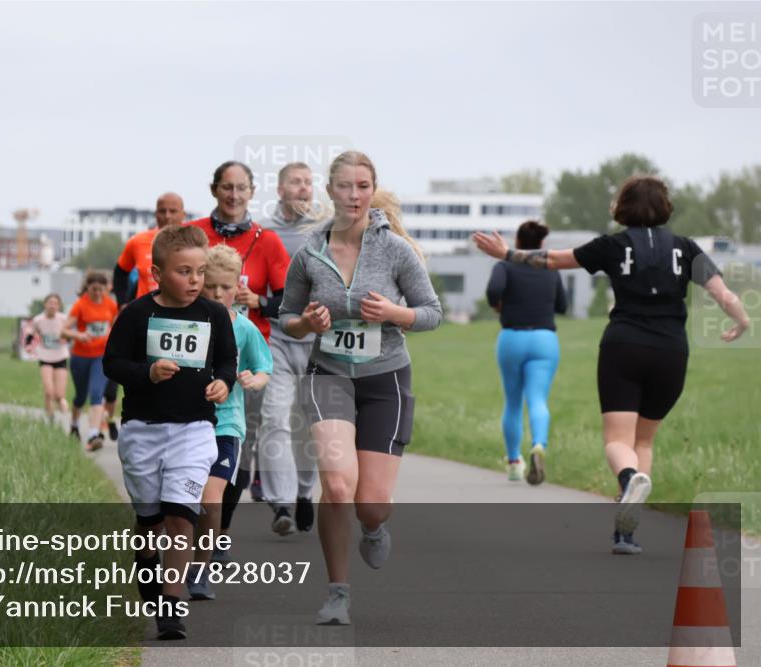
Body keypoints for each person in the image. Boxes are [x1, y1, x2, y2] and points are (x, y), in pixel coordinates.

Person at [472, 175, 751, 555]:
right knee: (644, 440)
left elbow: (553, 260)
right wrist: (742, 321)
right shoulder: (686, 248)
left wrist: (507, 254)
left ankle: (629, 479)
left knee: (619, 441)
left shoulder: (613, 245)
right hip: (671, 351)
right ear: (665, 207)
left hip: (624, 346)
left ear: (623, 207)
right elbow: (724, 294)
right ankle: (626, 533)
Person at [279, 151, 443, 625]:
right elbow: (286, 317)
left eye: (363, 186)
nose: (354, 196)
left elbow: (432, 312)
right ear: (330, 190)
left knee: (371, 504)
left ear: (373, 190)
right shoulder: (310, 252)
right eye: (345, 186)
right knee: (336, 485)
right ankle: (337, 594)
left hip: (385, 378)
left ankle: (373, 528)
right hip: (328, 375)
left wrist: (395, 314)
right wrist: (306, 323)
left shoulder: (395, 251)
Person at [103, 224, 237, 640]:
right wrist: (147, 373)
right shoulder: (137, 314)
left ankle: (171, 604)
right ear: (158, 274)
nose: (195, 281)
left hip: (194, 430)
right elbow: (112, 364)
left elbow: (227, 361)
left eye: (200, 272)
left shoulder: (214, 315)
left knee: (181, 516)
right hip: (142, 430)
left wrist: (223, 383)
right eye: (184, 272)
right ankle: (149, 573)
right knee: (150, 522)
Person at [188, 161, 291, 545]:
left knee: (237, 453)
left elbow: (287, 302)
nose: (234, 195)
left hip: (246, 352)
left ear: (251, 192)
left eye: (241, 188)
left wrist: (258, 300)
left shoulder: (268, 240)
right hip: (194, 352)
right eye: (227, 187)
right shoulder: (193, 234)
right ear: (214, 189)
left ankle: (220, 531)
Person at [187, 245, 272, 601]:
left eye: (225, 287)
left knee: (211, 500)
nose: (218, 293)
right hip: (185, 424)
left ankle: (199, 570)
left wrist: (254, 379)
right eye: (210, 286)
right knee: (182, 502)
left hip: (226, 426)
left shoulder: (246, 329)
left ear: (238, 287)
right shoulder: (185, 322)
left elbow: (264, 368)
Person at [258, 161, 322, 536]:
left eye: (308, 182)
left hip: (319, 343)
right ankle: (281, 502)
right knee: (275, 418)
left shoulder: (326, 230)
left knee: (311, 425)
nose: (304, 188)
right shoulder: (264, 232)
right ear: (280, 190)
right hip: (278, 339)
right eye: (296, 182)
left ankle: (303, 492)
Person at [485, 220, 568, 484]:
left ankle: (513, 463)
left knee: (512, 402)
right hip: (544, 339)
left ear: (517, 243)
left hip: (512, 338)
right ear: (541, 244)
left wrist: (498, 305)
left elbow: (493, 290)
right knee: (538, 400)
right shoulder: (550, 269)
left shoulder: (505, 265)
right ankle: (539, 445)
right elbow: (563, 305)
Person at [107, 192, 188, 440]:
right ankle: (138, 431)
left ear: (183, 214)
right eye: (162, 211)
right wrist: (122, 304)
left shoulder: (193, 243)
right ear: (155, 214)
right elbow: (120, 271)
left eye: (173, 211)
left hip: (181, 322)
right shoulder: (138, 241)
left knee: (178, 380)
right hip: (144, 320)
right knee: (141, 377)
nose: (167, 216)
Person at [65, 271, 118, 451]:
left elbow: (115, 326)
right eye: (94, 289)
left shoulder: (110, 304)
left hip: (100, 356)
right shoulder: (80, 305)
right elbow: (64, 330)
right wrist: (78, 335)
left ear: (105, 289)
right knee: (80, 396)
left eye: (100, 289)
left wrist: (112, 334)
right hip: (80, 357)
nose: (97, 293)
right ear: (87, 288)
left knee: (96, 393)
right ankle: (74, 425)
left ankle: (93, 434)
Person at [27, 294, 72, 423]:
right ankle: (50, 417)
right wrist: (29, 346)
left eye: (55, 303)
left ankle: (61, 403)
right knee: (49, 392)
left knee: (59, 395)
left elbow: (70, 334)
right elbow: (30, 334)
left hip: (60, 356)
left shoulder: (63, 319)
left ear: (59, 306)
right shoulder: (38, 320)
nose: (52, 306)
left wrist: (67, 338)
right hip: (45, 357)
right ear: (45, 304)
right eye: (50, 303)